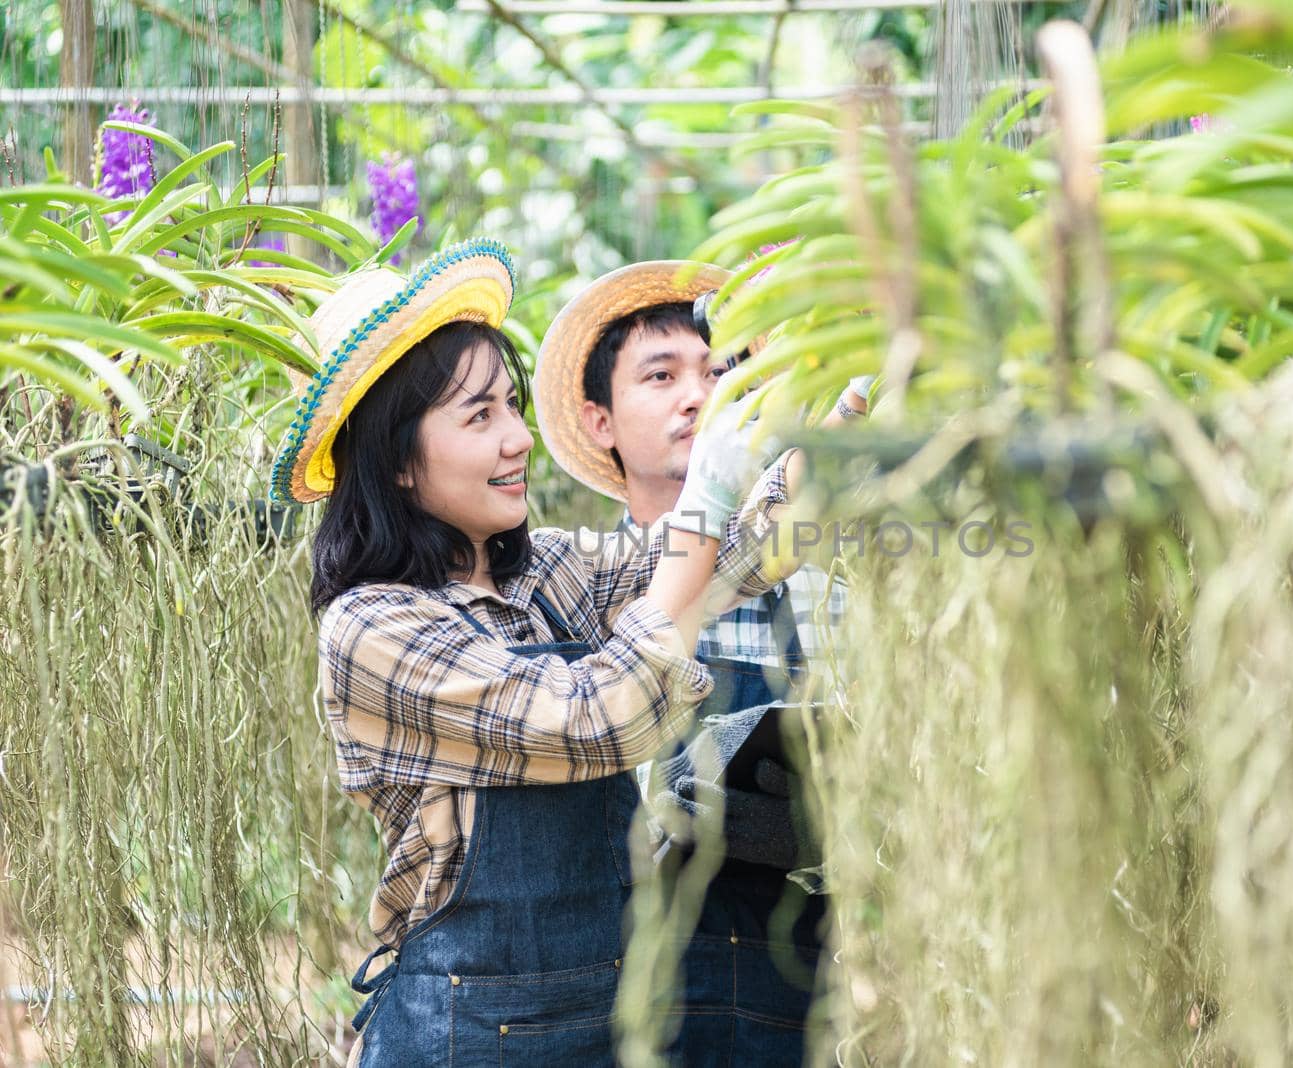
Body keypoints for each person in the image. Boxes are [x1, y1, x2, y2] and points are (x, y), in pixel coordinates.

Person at [269, 239, 805, 1066]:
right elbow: (597, 719)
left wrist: (827, 418)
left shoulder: (547, 572)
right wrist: (705, 496)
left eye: (513, 406)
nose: (519, 439)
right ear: (398, 459)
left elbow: (723, 558)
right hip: (463, 1038)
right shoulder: (375, 629)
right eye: (480, 416)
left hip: (602, 1027)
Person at [534, 260, 871, 1065]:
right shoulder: (578, 580)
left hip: (802, 955)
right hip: (631, 955)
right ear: (599, 420)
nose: (700, 395)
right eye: (661, 375)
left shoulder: (828, 577)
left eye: (720, 372)